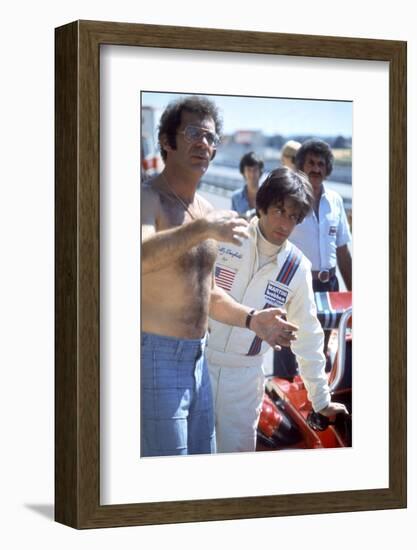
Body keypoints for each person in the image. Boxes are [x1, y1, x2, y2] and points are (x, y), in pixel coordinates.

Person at [141, 96, 298, 457]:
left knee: (203, 463)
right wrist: (202, 231)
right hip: (156, 356)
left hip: (199, 360)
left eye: (211, 138)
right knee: (169, 479)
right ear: (167, 140)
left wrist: (251, 319)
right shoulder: (147, 197)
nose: (204, 143)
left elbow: (208, 294)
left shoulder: (207, 211)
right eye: (193, 132)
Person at [206, 168, 348, 453]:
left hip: (244, 379)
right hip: (197, 366)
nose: (284, 223)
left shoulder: (297, 268)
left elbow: (308, 336)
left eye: (294, 217)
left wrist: (320, 399)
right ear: (262, 205)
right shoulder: (225, 236)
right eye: (279, 211)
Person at [290, 138, 352, 292]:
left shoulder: (335, 200)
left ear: (327, 169)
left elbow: (342, 252)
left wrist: (352, 293)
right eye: (311, 163)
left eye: (321, 164)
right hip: (298, 285)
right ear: (301, 167)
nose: (316, 169)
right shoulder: (289, 200)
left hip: (331, 285)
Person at [231, 151, 264, 218]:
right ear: (243, 172)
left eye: (255, 170)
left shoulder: (268, 196)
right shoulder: (236, 197)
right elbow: (233, 220)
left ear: (260, 171)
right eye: (249, 170)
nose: (252, 174)